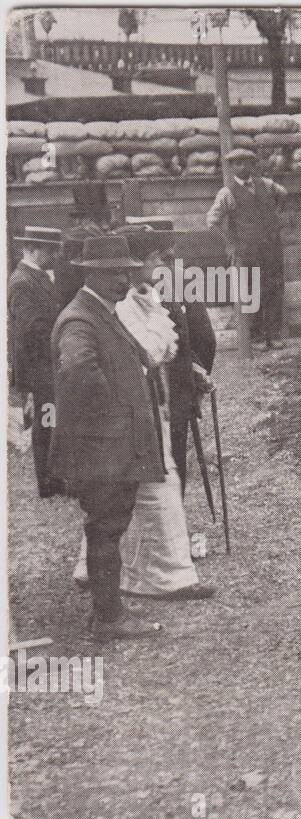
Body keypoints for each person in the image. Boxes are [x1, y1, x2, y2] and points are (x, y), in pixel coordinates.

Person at [70, 223, 217, 602]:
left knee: (146, 489)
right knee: (137, 490)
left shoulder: (145, 298)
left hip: (149, 406)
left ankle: (156, 573)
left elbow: (163, 352)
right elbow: (148, 352)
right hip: (130, 412)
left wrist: (191, 370)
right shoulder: (116, 307)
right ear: (132, 266)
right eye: (152, 258)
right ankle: (161, 576)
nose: (158, 264)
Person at [49, 235, 167, 641]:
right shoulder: (80, 319)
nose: (125, 279)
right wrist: (118, 417)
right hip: (101, 448)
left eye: (127, 270)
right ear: (93, 275)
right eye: (115, 273)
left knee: (108, 527)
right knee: (105, 527)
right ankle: (108, 618)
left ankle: (108, 610)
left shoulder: (103, 311)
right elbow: (79, 372)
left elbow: (133, 359)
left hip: (110, 446)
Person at [122, 216, 216, 492]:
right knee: (169, 464)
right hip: (167, 391)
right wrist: (196, 372)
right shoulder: (174, 279)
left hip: (168, 391)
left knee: (164, 467)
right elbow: (205, 338)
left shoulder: (138, 290)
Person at [206, 149, 287, 352]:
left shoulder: (266, 185)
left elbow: (283, 194)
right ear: (231, 167)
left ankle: (274, 335)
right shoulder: (227, 193)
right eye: (237, 164)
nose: (242, 167)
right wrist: (229, 243)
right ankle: (257, 336)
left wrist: (275, 216)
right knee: (253, 292)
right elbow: (212, 221)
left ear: (252, 165)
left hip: (271, 248)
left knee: (274, 290)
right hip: (247, 251)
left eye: (246, 163)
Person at [8, 225, 67, 498]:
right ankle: (49, 482)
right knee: (47, 422)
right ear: (32, 250)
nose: (55, 254)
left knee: (52, 420)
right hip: (40, 367)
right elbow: (30, 331)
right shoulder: (22, 282)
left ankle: (55, 477)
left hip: (47, 364)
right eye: (50, 249)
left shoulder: (35, 277)